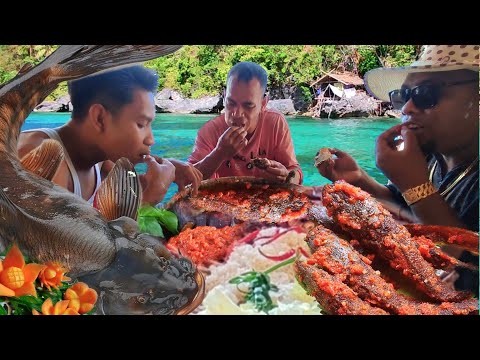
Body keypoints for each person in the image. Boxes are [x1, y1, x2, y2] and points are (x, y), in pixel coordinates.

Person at [313, 45, 479, 295]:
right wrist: (360, 180)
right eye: (404, 95)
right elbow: (405, 206)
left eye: (425, 94)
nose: (406, 108)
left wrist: (416, 187)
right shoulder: (432, 158)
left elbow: (471, 268)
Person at [18, 65, 202, 206]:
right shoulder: (40, 159)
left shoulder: (100, 158)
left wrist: (165, 170)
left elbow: (127, 187)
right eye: (141, 124)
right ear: (99, 118)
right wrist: (149, 198)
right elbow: (56, 249)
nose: (150, 139)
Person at [188, 61, 303, 184]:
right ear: (224, 95)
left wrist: (286, 177)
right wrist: (219, 152)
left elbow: (295, 172)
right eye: (231, 103)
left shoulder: (275, 123)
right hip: (222, 199)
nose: (237, 114)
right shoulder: (210, 131)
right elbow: (187, 181)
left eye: (248, 105)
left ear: (263, 103)